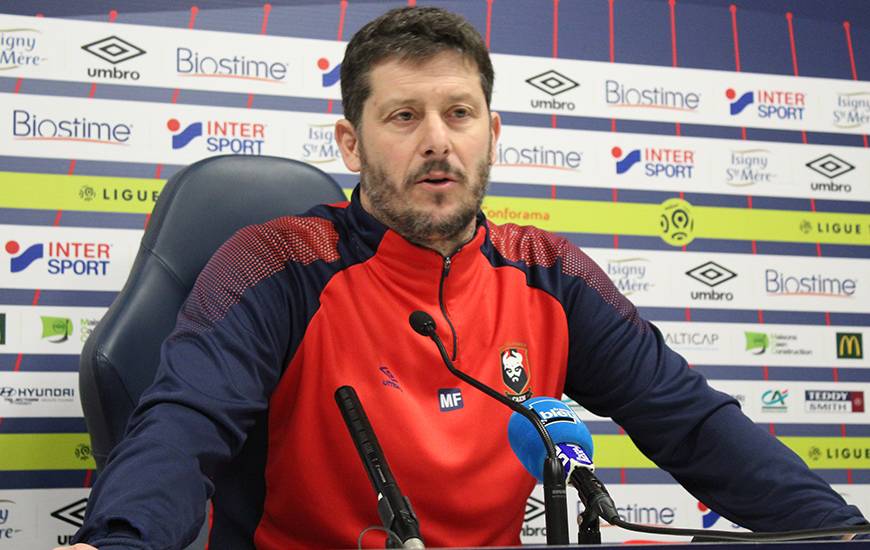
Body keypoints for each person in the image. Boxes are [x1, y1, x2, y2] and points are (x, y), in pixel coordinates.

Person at [59, 6, 866, 550]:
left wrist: (838, 534)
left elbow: (692, 425)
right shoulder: (277, 261)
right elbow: (181, 428)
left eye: (459, 113)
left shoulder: (548, 271)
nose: (437, 141)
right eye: (404, 116)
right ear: (351, 143)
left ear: (492, 133)